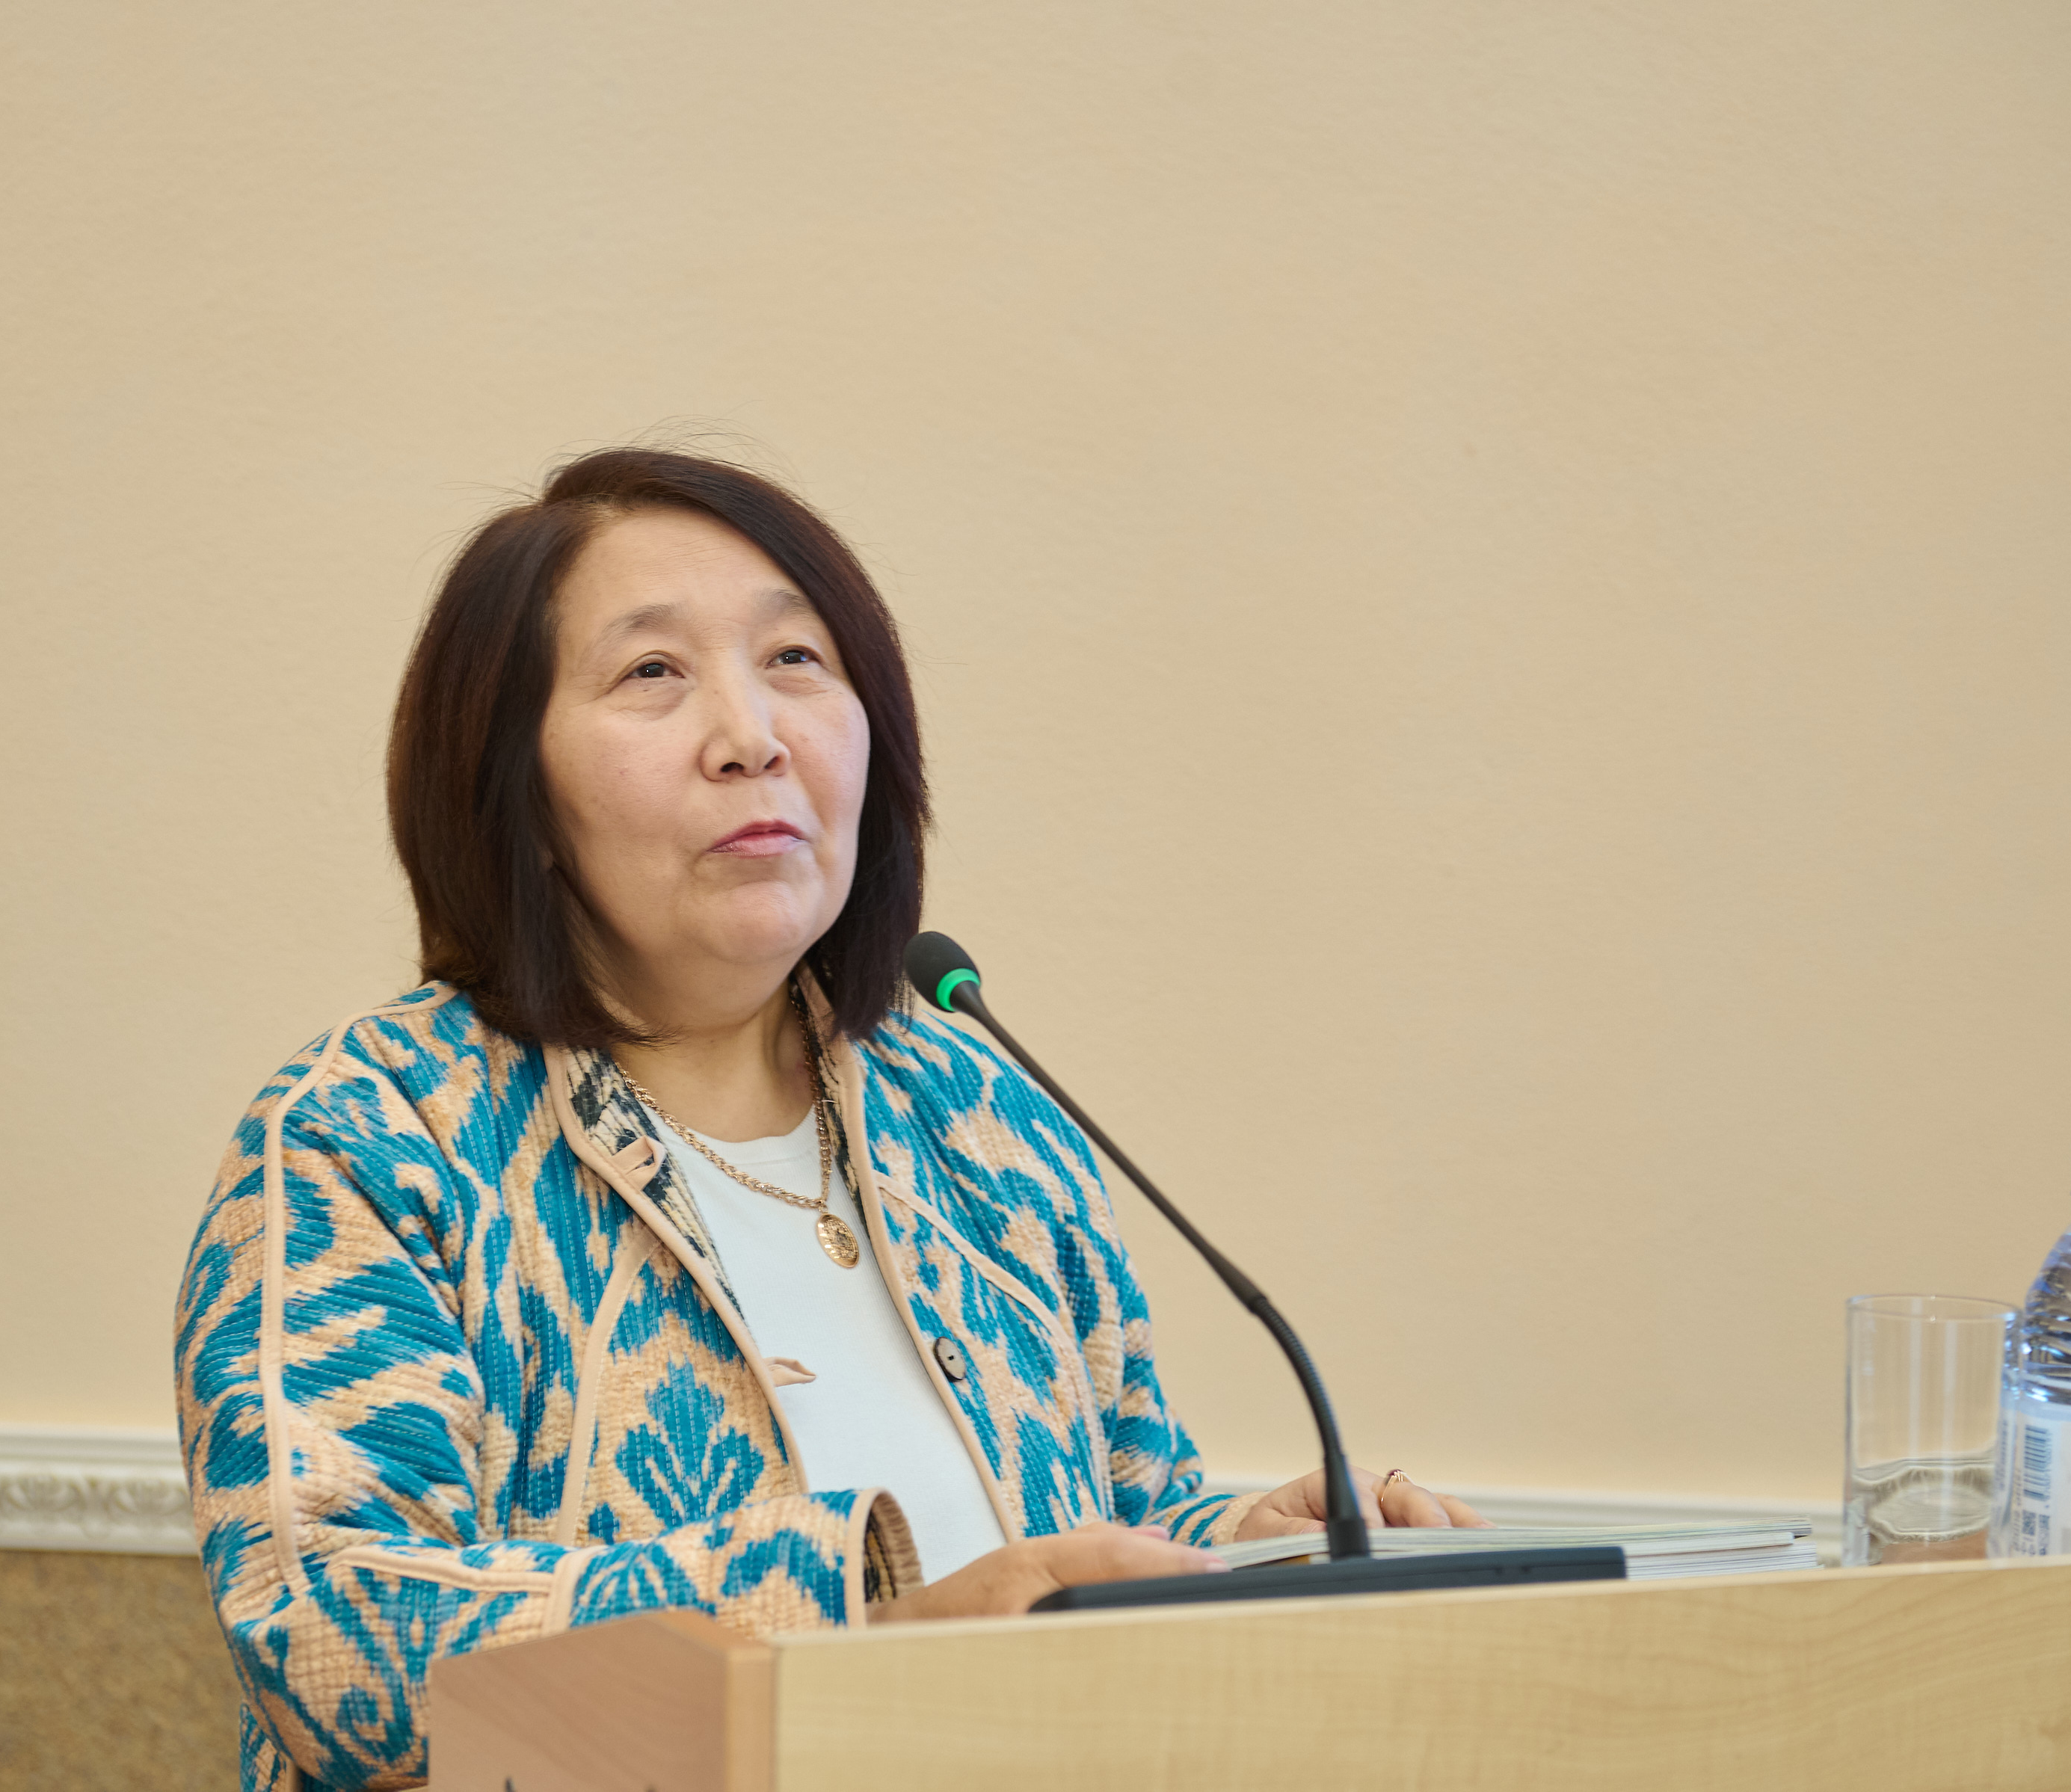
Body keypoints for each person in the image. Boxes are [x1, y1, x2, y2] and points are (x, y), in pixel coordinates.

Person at [173, 448, 1486, 1791]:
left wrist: (1241, 1551)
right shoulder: (369, 1135)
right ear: (518, 787)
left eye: (795, 659)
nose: (752, 735)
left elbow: (1110, 1510)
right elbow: (331, 1639)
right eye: (651, 671)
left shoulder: (974, 1111)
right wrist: (860, 1618)